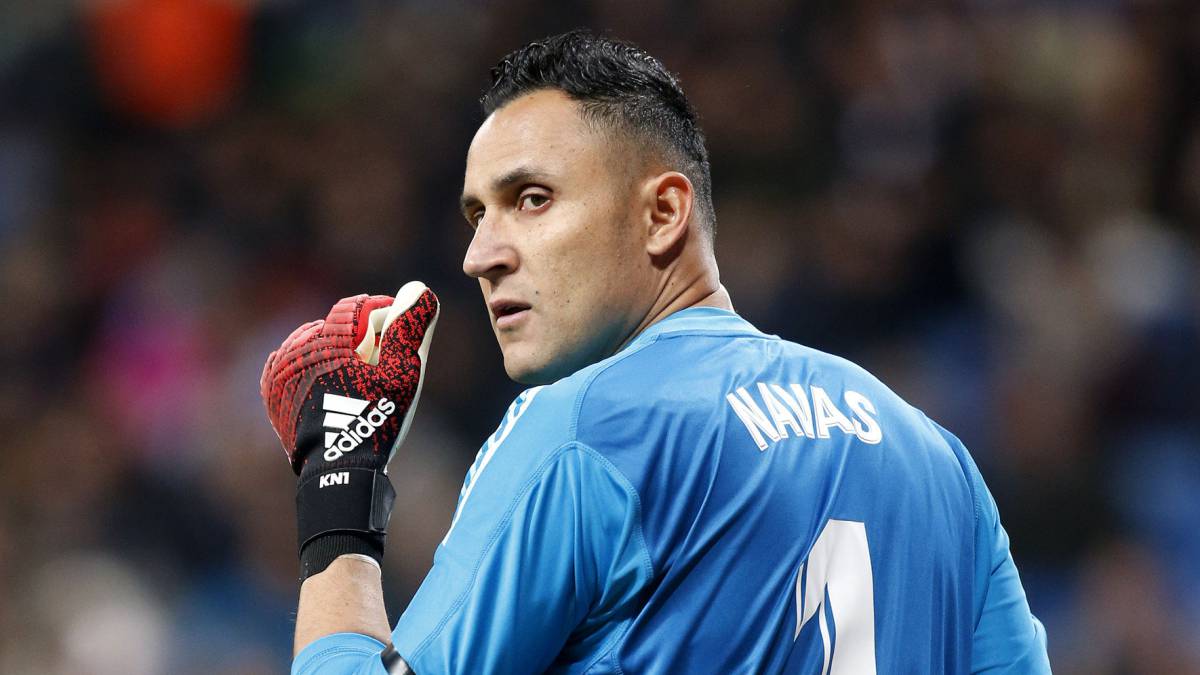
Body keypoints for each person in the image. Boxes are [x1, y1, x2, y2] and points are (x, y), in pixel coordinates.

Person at [260, 30, 1051, 674]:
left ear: (665, 213)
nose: (481, 256)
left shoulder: (588, 426)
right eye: (478, 216)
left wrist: (339, 486)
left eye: (531, 199)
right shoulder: (939, 460)